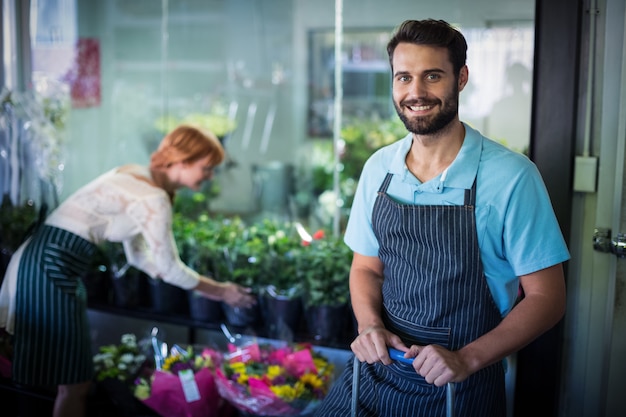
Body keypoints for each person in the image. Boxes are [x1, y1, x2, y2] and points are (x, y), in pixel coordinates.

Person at [314, 19, 569, 417]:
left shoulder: (512, 177)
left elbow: (547, 298)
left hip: (460, 388)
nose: (416, 93)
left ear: (461, 77)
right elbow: (366, 267)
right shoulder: (379, 167)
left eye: (432, 76)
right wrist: (369, 326)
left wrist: (466, 359)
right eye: (404, 78)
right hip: (374, 374)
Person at [0, 124, 256, 417]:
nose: (210, 176)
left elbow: (137, 256)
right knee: (73, 384)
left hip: (49, 262)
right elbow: (171, 268)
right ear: (183, 161)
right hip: (51, 267)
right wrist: (222, 292)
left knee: (66, 380)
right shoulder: (153, 199)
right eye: (207, 168)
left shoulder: (135, 174)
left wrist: (161, 270)